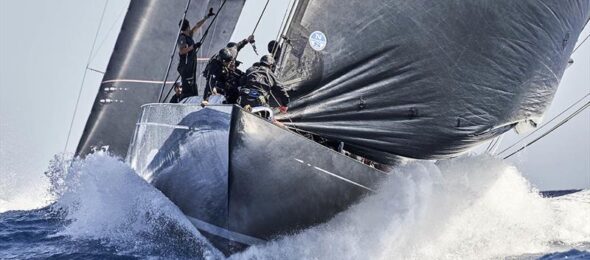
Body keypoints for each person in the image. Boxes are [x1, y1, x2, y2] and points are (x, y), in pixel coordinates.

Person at [202, 35, 255, 104]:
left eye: (231, 62)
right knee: (230, 88)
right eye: (228, 63)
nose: (230, 64)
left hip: (227, 71)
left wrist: (246, 40)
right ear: (223, 61)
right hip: (219, 77)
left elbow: (238, 45)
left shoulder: (232, 52)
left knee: (243, 77)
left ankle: (254, 94)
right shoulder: (214, 67)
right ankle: (230, 100)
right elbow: (210, 82)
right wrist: (206, 99)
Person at [177, 10, 215, 98]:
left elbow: (197, 26)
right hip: (186, 66)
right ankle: (185, 100)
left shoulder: (189, 35)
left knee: (193, 85)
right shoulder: (182, 37)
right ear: (187, 26)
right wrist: (193, 47)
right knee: (188, 87)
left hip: (191, 65)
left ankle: (193, 98)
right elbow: (182, 51)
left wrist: (207, 17)